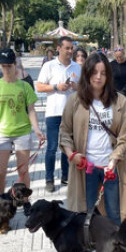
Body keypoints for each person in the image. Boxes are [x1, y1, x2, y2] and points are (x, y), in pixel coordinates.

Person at [60, 52, 126, 252]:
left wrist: (114, 160)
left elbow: (124, 137)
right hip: (86, 168)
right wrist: (71, 154)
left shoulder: (119, 101)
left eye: (103, 73)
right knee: (86, 213)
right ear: (87, 73)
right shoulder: (76, 101)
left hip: (112, 167)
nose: (98, 77)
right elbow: (64, 132)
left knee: (114, 215)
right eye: (94, 72)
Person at [0, 48, 45, 194]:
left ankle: (25, 200)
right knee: (0, 171)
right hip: (2, 133)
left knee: (23, 171)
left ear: (15, 64)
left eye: (9, 66)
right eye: (3, 66)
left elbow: (31, 109)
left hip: (22, 132)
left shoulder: (24, 86)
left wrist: (37, 129)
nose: (6, 69)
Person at [36, 37, 80, 192]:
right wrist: (56, 86)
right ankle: (49, 179)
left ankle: (66, 176)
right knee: (52, 147)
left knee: (68, 147)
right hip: (53, 113)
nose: (70, 51)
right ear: (59, 48)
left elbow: (83, 89)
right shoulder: (49, 66)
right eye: (67, 48)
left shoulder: (77, 67)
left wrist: (75, 87)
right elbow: (39, 87)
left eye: (71, 48)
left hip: (71, 114)